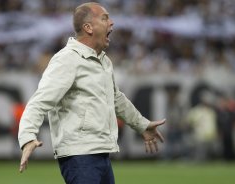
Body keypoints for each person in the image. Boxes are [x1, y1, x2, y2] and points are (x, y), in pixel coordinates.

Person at [18, 2, 165, 184]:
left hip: (100, 152)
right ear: (88, 27)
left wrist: (142, 124)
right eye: (104, 18)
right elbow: (39, 101)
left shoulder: (104, 61)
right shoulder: (67, 59)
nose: (111, 23)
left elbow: (116, 98)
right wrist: (27, 137)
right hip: (79, 155)